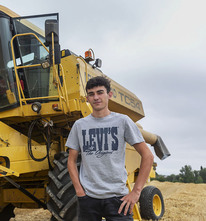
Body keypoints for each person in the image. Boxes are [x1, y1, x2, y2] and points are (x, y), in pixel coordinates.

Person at [66, 76, 154, 221]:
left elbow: (148, 156)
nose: (96, 97)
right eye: (91, 94)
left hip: (118, 198)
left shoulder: (123, 121)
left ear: (109, 95)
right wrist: (79, 191)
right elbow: (71, 161)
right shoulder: (79, 125)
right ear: (87, 98)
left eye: (100, 92)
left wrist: (136, 192)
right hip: (88, 199)